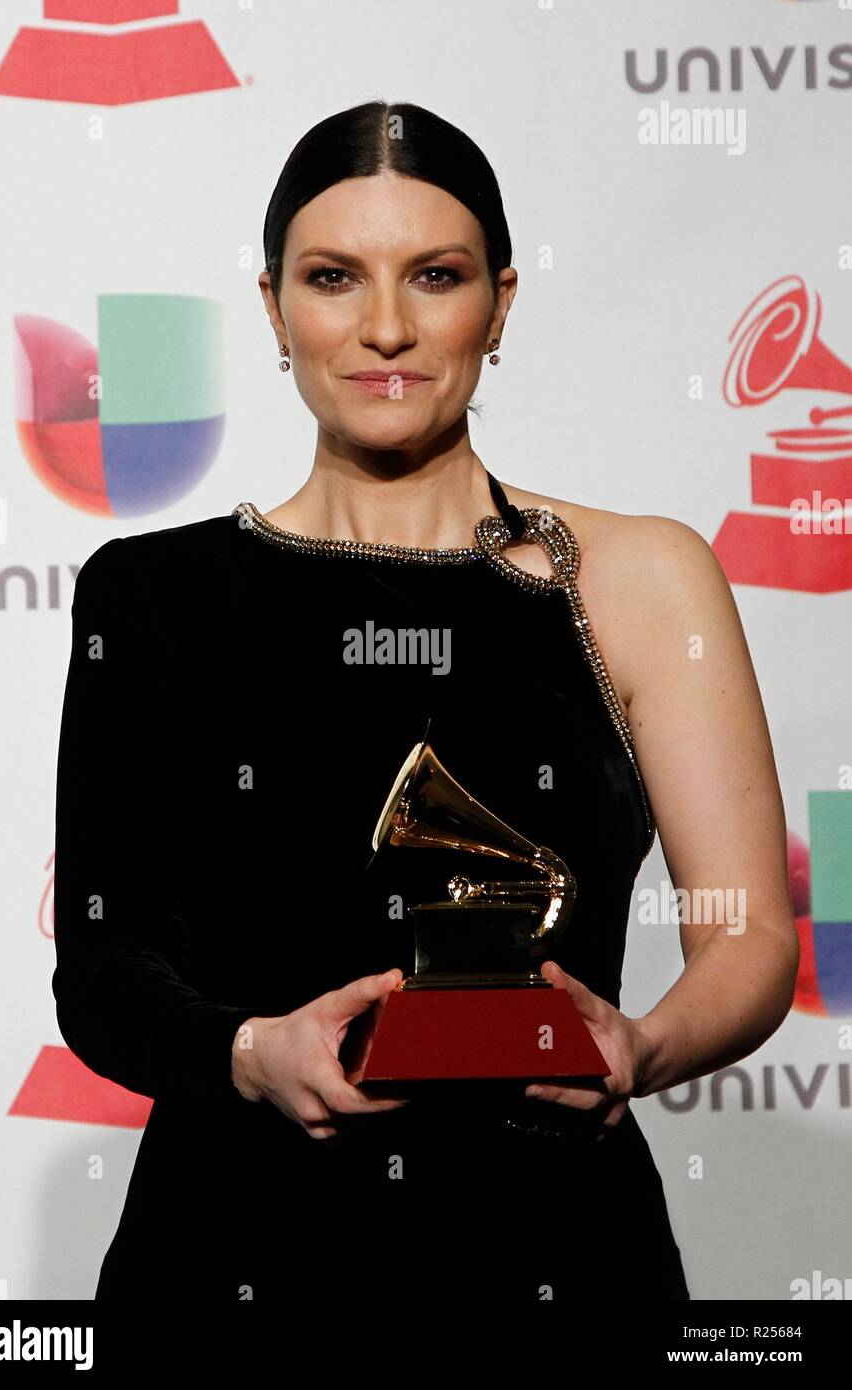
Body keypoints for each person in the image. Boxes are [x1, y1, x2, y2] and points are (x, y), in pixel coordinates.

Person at [52, 100, 799, 1307]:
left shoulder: (639, 577)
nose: (386, 327)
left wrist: (641, 1044)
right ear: (272, 306)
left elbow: (751, 936)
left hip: (556, 1257)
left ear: (500, 305)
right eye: (334, 277)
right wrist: (250, 1053)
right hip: (227, 1254)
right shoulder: (151, 596)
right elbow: (103, 973)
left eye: (435, 277)